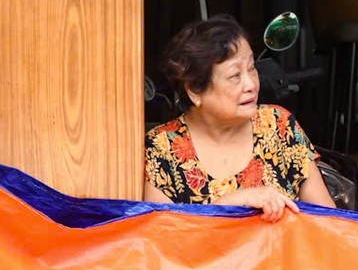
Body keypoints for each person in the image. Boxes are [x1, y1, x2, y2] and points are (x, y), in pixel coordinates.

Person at [142, 14, 335, 219]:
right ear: (194, 91)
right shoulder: (162, 148)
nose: (251, 84)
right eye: (235, 76)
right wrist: (235, 202)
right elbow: (162, 235)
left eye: (251, 68)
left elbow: (330, 221)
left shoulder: (278, 125)